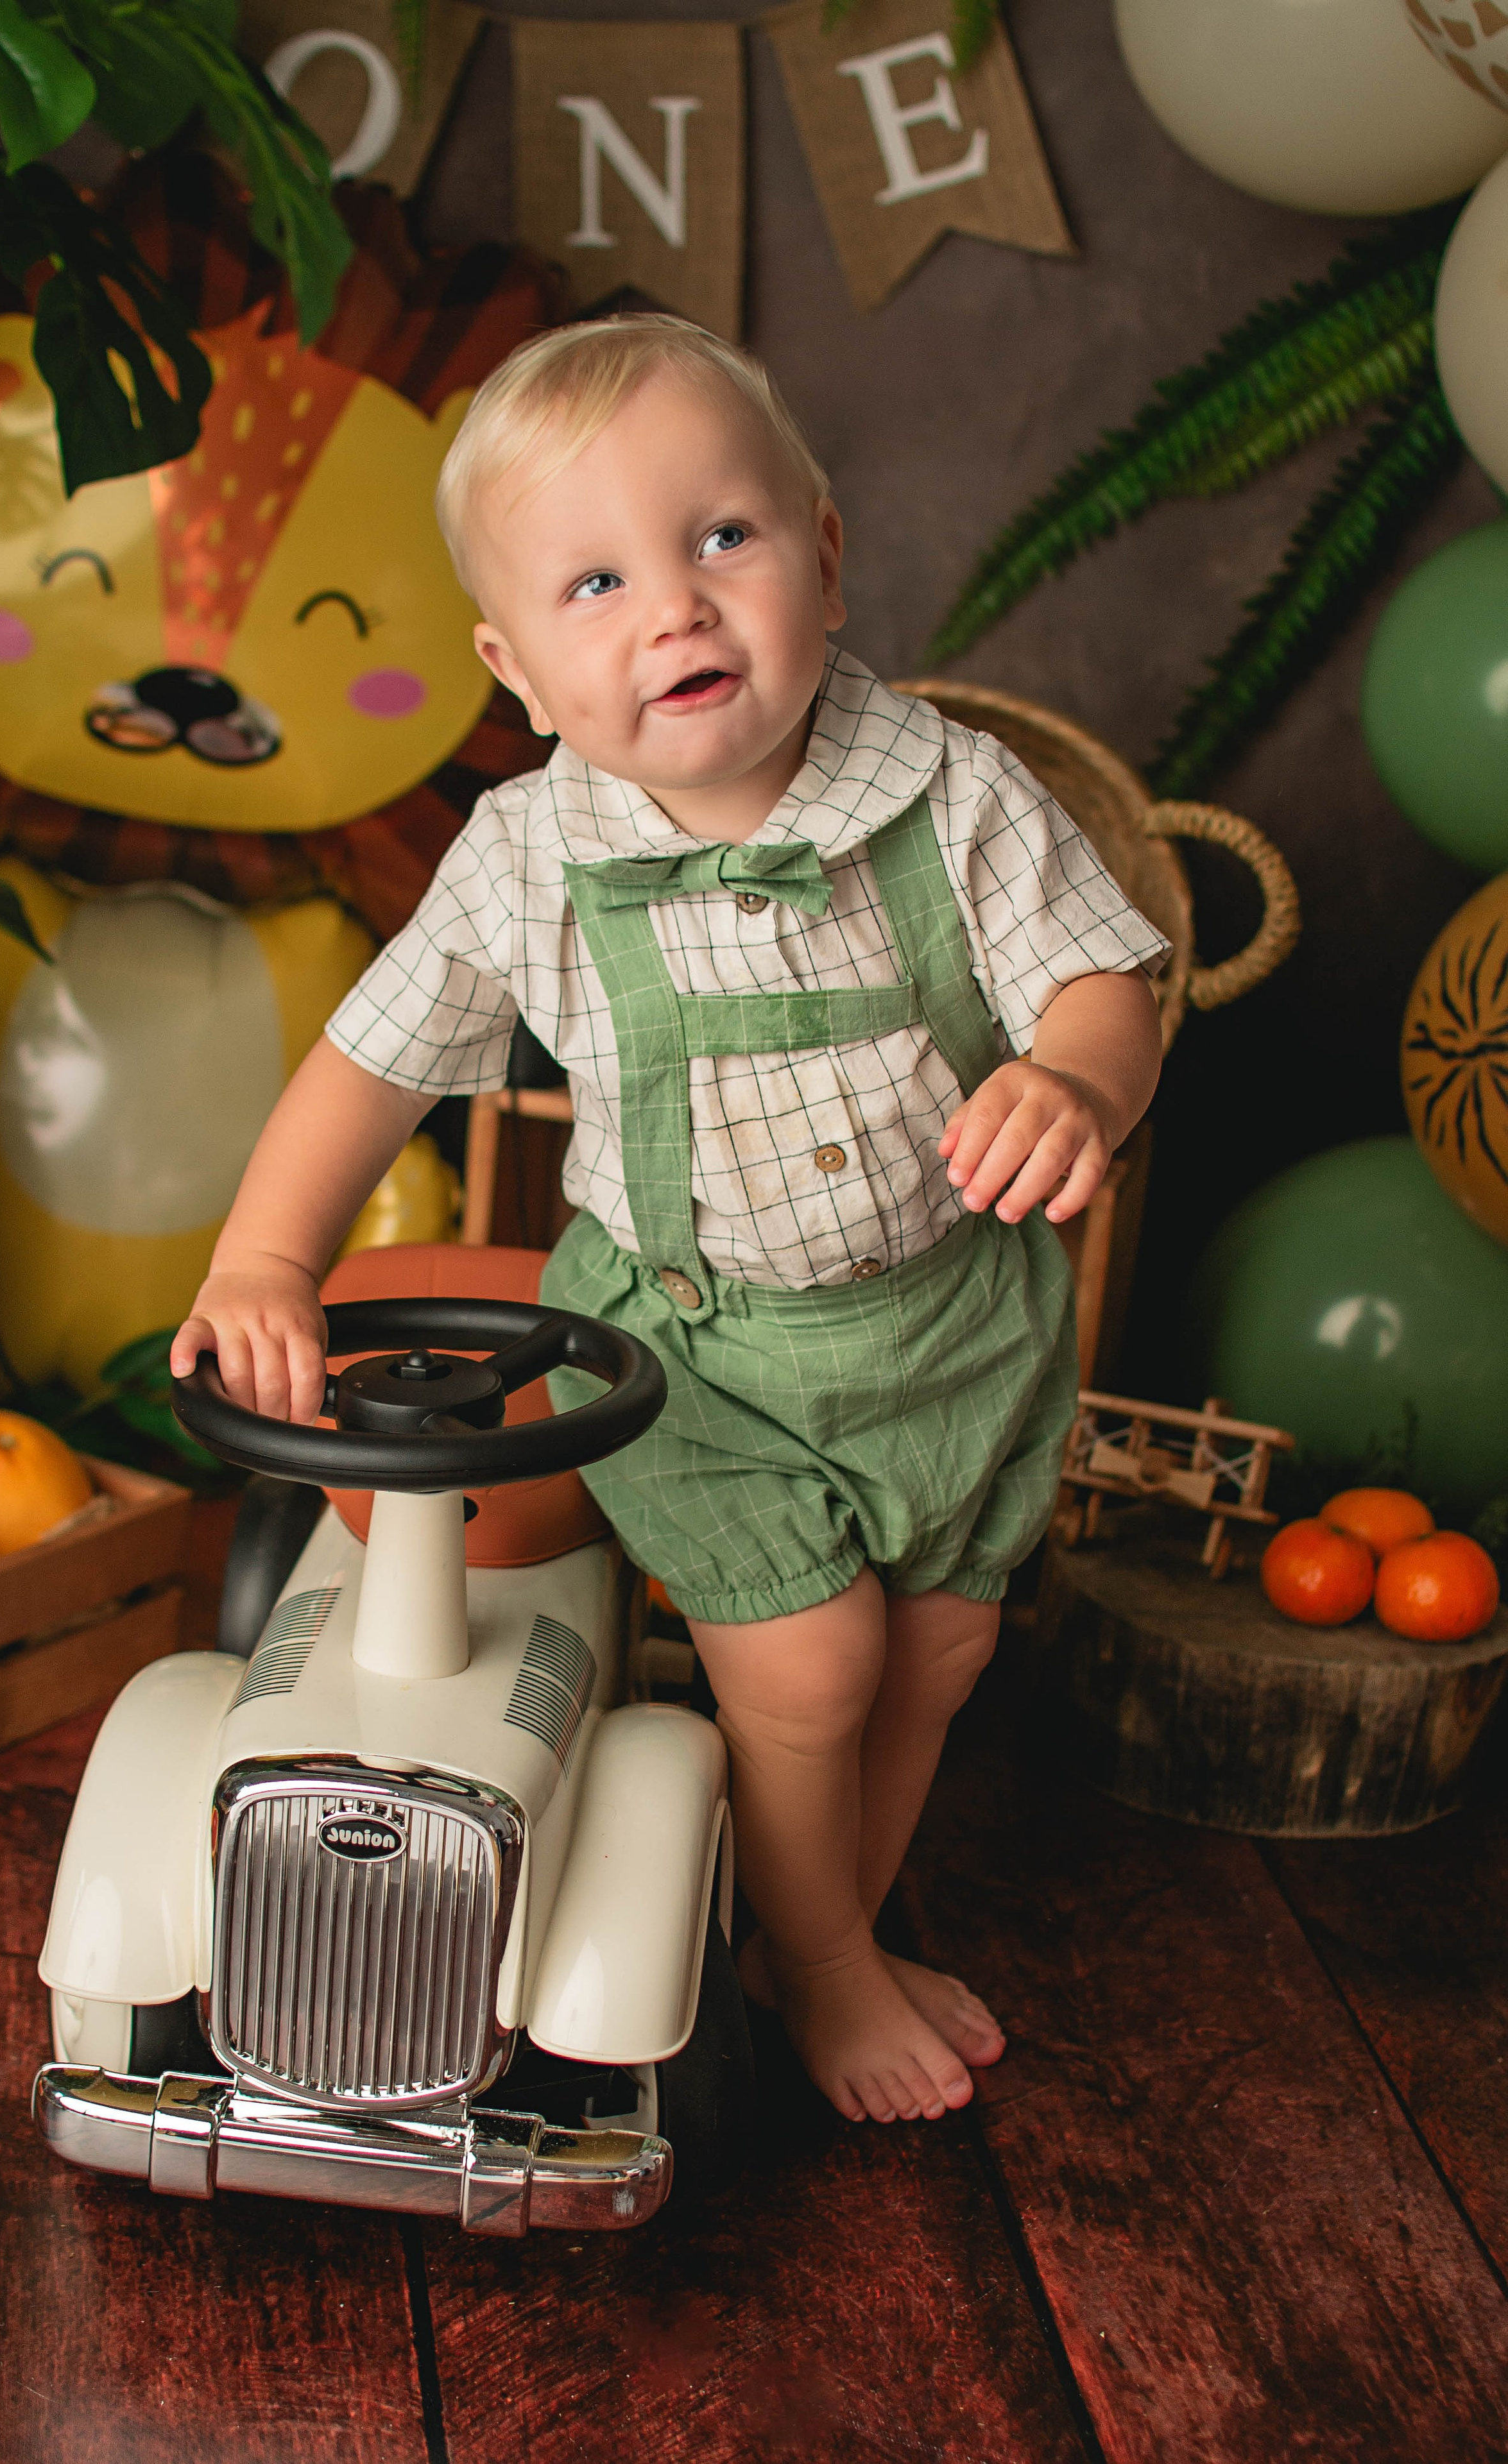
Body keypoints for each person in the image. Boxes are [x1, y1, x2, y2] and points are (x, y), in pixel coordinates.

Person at [173, 315, 1168, 2129]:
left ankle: (813, 1934)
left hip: (953, 1323)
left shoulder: (949, 794)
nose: (677, 611)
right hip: (693, 1348)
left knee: (941, 1650)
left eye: (725, 539)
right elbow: (369, 1066)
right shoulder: (527, 856)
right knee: (815, 1663)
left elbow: (1106, 981)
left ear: (827, 548)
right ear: (519, 667)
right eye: (598, 580)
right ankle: (833, 1969)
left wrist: (1081, 1080)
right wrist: (268, 1256)